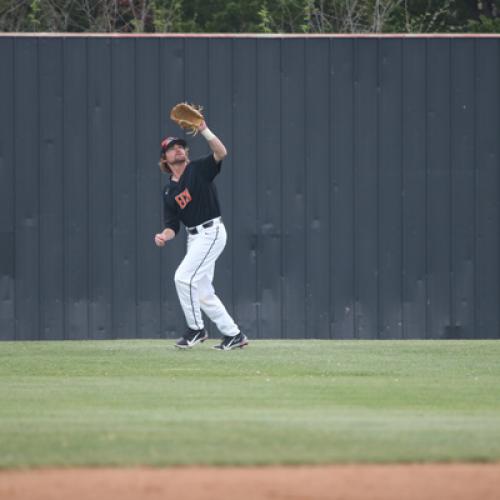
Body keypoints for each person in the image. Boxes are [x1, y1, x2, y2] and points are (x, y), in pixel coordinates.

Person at [154, 119, 248, 351]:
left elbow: (221, 152)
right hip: (193, 237)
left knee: (182, 278)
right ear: (165, 159)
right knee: (204, 292)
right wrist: (164, 236)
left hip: (211, 231)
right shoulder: (168, 191)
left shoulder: (198, 169)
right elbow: (172, 225)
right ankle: (234, 334)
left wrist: (204, 129)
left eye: (180, 146)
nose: (178, 149)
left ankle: (196, 329)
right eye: (171, 148)